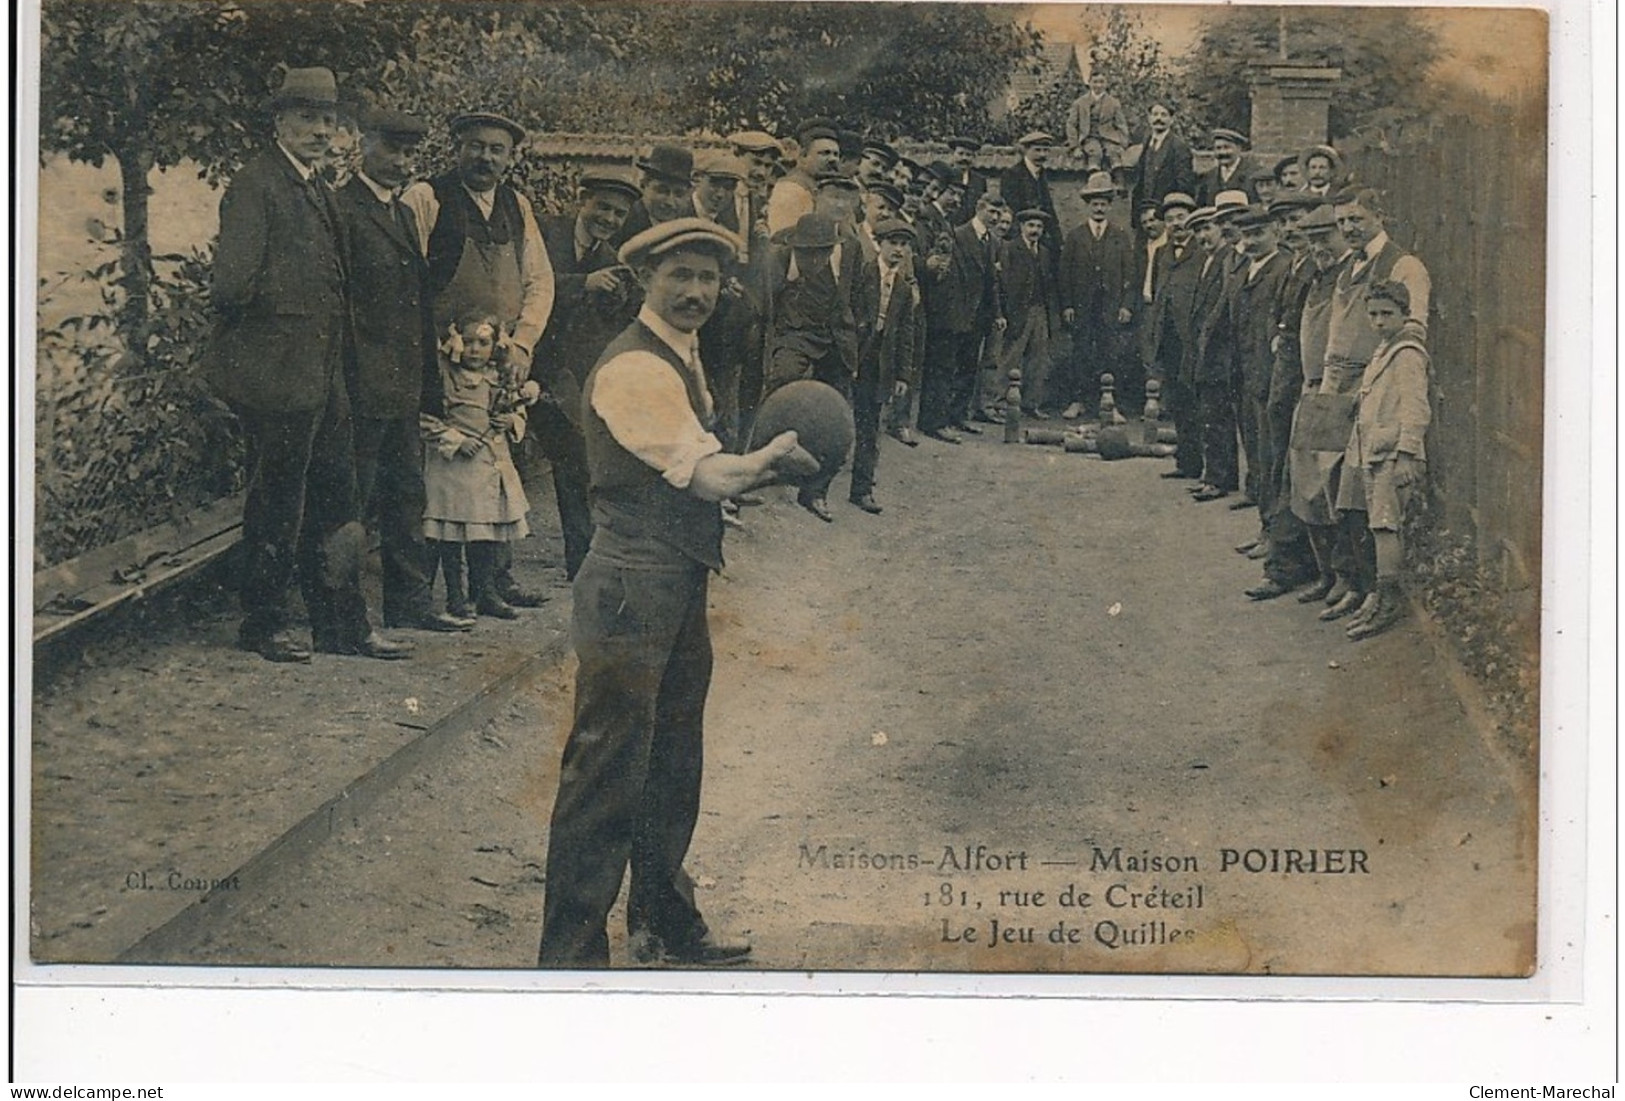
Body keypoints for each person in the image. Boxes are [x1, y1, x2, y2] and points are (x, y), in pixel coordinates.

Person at [536, 217, 818, 968]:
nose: (694, 292)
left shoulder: (682, 354)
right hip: (629, 583)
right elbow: (707, 474)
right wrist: (770, 461)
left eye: (706, 278)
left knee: (670, 759)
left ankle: (663, 923)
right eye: (678, 277)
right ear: (643, 283)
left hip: (675, 575)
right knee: (607, 771)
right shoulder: (635, 368)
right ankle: (568, 962)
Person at [203, 67, 412, 663]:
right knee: (276, 502)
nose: (322, 131)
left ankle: (343, 626)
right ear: (280, 123)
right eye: (308, 119)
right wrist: (277, 339)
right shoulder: (256, 185)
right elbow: (230, 289)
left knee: (339, 500)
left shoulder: (317, 187)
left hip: (323, 378)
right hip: (278, 376)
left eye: (328, 120)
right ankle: (263, 624)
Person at [399, 110, 556, 609]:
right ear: (456, 148)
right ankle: (427, 589)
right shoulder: (427, 198)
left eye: (496, 150)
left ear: (510, 158)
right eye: (475, 146)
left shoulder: (517, 206)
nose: (485, 157)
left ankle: (495, 582)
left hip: (499, 360)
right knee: (441, 476)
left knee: (497, 469)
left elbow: (539, 281)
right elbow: (404, 282)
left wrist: (525, 343)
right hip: (441, 366)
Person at [334, 106, 472, 634]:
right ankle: (348, 619)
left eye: (409, 153)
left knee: (407, 498)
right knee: (354, 503)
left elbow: (416, 304)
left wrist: (426, 382)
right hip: (363, 383)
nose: (400, 162)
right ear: (363, 144)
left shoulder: (405, 212)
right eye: (391, 149)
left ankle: (410, 604)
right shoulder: (344, 209)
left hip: (403, 384)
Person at [533, 168, 645, 579]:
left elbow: (604, 327)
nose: (608, 219)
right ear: (583, 202)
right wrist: (583, 283)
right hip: (521, 359)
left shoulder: (612, 259)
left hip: (562, 376)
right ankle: (487, 578)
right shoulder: (546, 234)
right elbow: (529, 286)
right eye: (602, 208)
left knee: (575, 462)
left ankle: (581, 563)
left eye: (618, 214)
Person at [421, 313, 536, 619]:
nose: (474, 350)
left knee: (485, 534)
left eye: (483, 343)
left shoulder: (500, 377)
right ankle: (455, 597)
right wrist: (455, 440)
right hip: (454, 469)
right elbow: (424, 418)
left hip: (489, 465)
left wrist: (510, 420)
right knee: (452, 534)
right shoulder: (444, 376)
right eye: (468, 342)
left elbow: (519, 411)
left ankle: (483, 592)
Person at [1338, 281, 1432, 640]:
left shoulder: (1407, 353)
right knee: (1378, 525)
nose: (1378, 321)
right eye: (1373, 314)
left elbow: (1415, 408)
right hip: (1374, 451)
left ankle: (1389, 601)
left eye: (1387, 314)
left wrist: (1407, 455)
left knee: (1386, 526)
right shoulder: (1383, 349)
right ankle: (1380, 596)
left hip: (1394, 454)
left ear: (1405, 314)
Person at [763, 211, 864, 521]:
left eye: (824, 252)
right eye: (811, 253)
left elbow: (852, 304)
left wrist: (850, 354)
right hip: (794, 336)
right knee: (782, 380)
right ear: (798, 248)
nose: (817, 260)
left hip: (835, 337)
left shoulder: (844, 259)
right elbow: (765, 313)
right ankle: (764, 468)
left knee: (836, 414)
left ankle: (817, 491)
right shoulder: (774, 263)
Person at [850, 218, 925, 514]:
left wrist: (903, 374)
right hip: (854, 358)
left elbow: (906, 335)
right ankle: (817, 489)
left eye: (904, 245)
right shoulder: (861, 275)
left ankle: (862, 489)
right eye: (893, 243)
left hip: (880, 365)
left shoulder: (904, 289)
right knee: (843, 421)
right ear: (879, 244)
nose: (898, 250)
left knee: (870, 429)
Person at [918, 191, 1004, 443]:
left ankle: (957, 416)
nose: (996, 217)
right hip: (952, 315)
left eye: (999, 213)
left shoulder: (990, 240)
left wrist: (996, 313)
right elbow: (943, 278)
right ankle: (934, 422)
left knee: (968, 369)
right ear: (979, 208)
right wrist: (950, 315)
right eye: (991, 211)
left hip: (976, 317)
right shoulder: (956, 234)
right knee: (942, 369)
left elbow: (992, 283)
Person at [1057, 172, 1137, 420]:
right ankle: (1078, 400)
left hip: (1110, 306)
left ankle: (1109, 403)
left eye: (1103, 203)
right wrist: (1068, 304)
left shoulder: (1120, 236)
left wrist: (1126, 305)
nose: (1099, 208)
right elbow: (1064, 274)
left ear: (1109, 206)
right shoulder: (1075, 236)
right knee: (1080, 351)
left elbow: (1130, 275)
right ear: (1088, 206)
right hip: (1082, 305)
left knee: (1109, 352)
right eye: (1095, 203)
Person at [1145, 194, 1206, 480]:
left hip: (1192, 337)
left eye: (1181, 218)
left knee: (1196, 401)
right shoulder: (1161, 252)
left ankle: (1207, 467)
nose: (1175, 224)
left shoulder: (1203, 251)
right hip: (1168, 336)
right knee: (1178, 402)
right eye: (1169, 220)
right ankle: (1186, 463)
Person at [996, 209, 1061, 419]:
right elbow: (1003, 283)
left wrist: (1051, 316)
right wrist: (1005, 312)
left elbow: (1050, 285)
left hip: (1039, 310)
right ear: (1022, 227)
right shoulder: (1010, 248)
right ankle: (1000, 402)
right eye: (1031, 226)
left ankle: (1031, 403)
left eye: (1039, 227)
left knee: (1038, 358)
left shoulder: (1044, 252)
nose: (1035, 231)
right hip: (1017, 310)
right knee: (1011, 356)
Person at [998, 132, 1061, 264]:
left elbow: (1048, 208)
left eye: (1045, 150)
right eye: (1037, 150)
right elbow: (1011, 211)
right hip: (1019, 237)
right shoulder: (1012, 174)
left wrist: (1058, 239)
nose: (1042, 155)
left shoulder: (1041, 174)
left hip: (1039, 235)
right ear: (1026, 150)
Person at [1130, 99, 1197, 222]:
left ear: (1171, 120)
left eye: (1163, 115)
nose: (1158, 119)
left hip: (1166, 214)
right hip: (1145, 215)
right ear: (1149, 118)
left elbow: (1184, 185)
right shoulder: (1147, 142)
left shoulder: (1178, 146)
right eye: (1155, 114)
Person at [767, 123, 840, 234]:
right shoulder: (790, 189)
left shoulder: (821, 187)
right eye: (825, 153)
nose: (833, 159)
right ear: (803, 156)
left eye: (836, 154)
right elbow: (781, 238)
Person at [1065, 70, 1129, 175]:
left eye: (1101, 82)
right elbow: (1071, 125)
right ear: (1089, 82)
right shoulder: (1080, 103)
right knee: (1095, 152)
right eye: (1095, 82)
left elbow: (1121, 124)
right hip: (1089, 137)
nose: (1098, 85)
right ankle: (1094, 180)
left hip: (1109, 138)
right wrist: (1075, 147)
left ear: (1106, 83)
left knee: (1114, 153)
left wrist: (1123, 144)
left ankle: (1119, 184)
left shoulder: (1113, 103)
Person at [1195, 128, 1261, 207]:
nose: (1222, 152)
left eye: (1227, 147)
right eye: (1218, 148)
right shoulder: (1209, 177)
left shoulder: (1254, 174)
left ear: (1239, 148)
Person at [944, 136, 987, 224]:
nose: (964, 158)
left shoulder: (979, 181)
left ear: (973, 158)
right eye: (960, 154)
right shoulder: (944, 176)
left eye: (968, 155)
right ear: (953, 154)